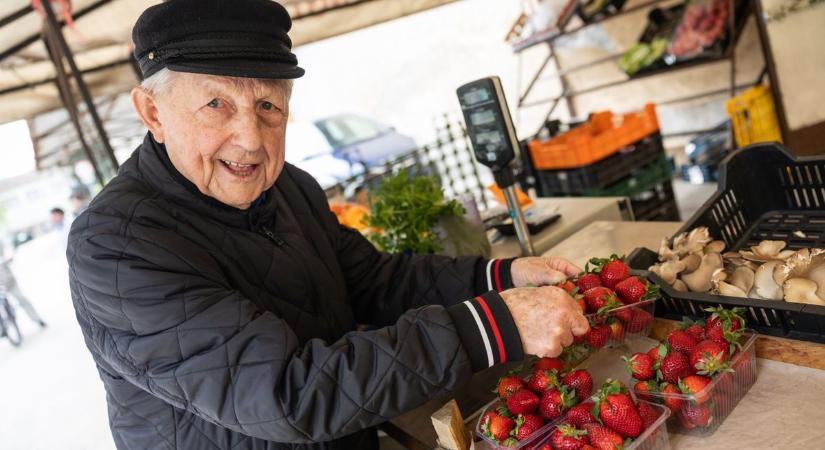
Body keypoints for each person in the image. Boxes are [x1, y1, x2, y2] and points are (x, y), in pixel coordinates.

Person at [66, 1, 590, 449]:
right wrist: (491, 326)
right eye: (216, 104)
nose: (250, 137)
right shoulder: (115, 246)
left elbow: (372, 281)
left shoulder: (287, 186)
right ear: (152, 112)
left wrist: (499, 278)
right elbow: (287, 392)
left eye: (268, 104)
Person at [0, 254, 46, 328]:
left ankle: (37, 318)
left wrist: (8, 258)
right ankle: (3, 328)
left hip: (9, 281)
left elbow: (8, 251)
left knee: (22, 298)